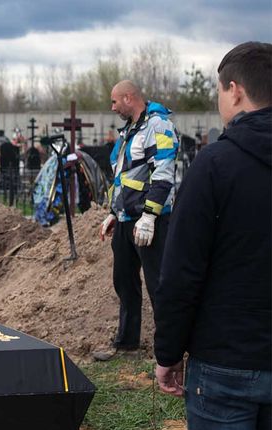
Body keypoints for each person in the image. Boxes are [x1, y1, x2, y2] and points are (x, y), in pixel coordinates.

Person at [154, 41, 271, 430]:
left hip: (224, 362)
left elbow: (182, 272)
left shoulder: (214, 165)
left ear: (235, 90)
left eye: (220, 91)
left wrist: (168, 353)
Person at [93, 80, 177, 361]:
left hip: (150, 221)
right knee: (124, 281)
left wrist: (150, 217)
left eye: (115, 101)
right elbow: (122, 177)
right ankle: (126, 343)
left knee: (158, 284)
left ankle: (168, 351)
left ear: (129, 98)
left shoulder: (158, 125)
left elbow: (163, 174)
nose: (112, 106)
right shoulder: (129, 130)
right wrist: (113, 213)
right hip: (127, 219)